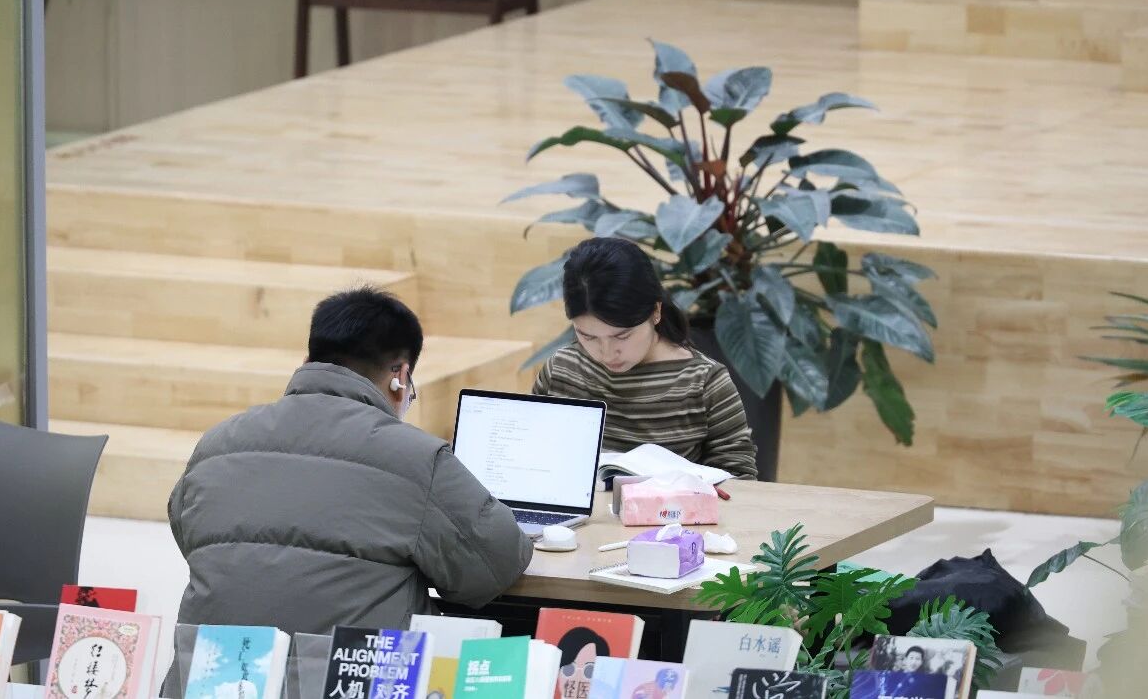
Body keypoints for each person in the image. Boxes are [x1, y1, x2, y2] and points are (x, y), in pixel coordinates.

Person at [165, 287, 532, 689]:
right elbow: (496, 564)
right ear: (400, 376)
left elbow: (189, 532)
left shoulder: (215, 444)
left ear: (307, 362)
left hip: (208, 685)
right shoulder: (415, 457)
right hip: (345, 685)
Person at [532, 237, 757, 479]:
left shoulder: (703, 382)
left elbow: (741, 482)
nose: (606, 352)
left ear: (655, 311)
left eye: (622, 336)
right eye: (588, 336)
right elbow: (529, 456)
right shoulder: (562, 370)